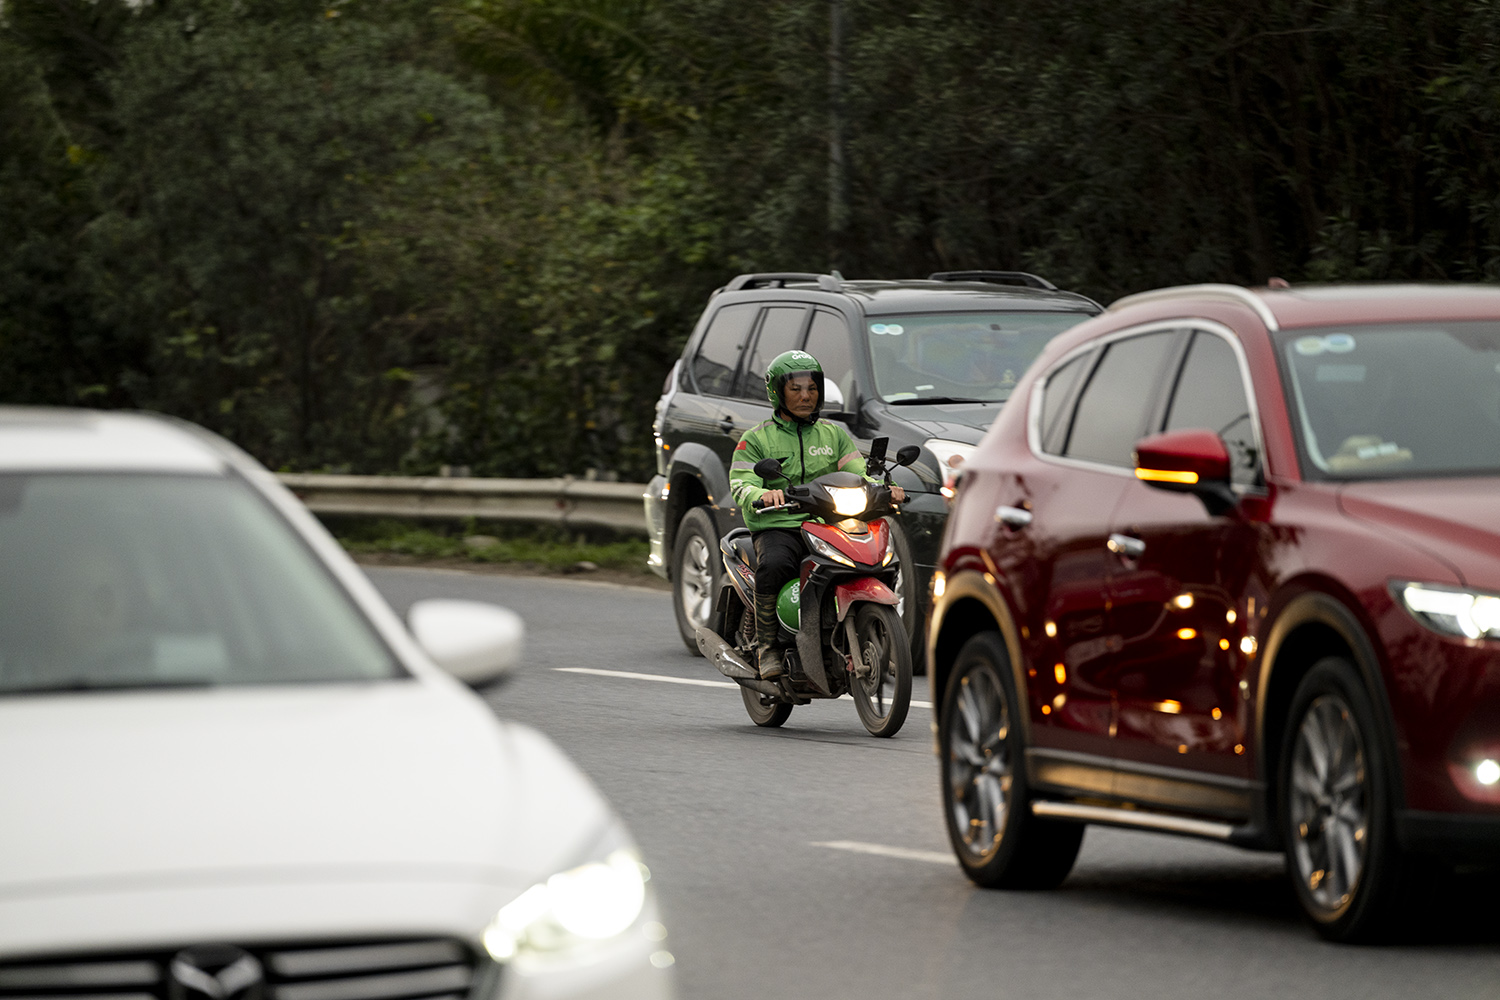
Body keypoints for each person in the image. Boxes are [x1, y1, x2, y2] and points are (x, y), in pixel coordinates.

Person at [728, 350, 904, 680]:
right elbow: (741, 481)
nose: (806, 396)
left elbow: (858, 470)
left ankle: (876, 636)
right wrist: (761, 494)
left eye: (812, 387)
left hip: (828, 523)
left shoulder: (833, 435)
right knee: (776, 565)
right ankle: (768, 646)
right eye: (795, 389)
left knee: (876, 560)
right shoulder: (756, 439)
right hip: (781, 524)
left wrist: (884, 488)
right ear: (777, 392)